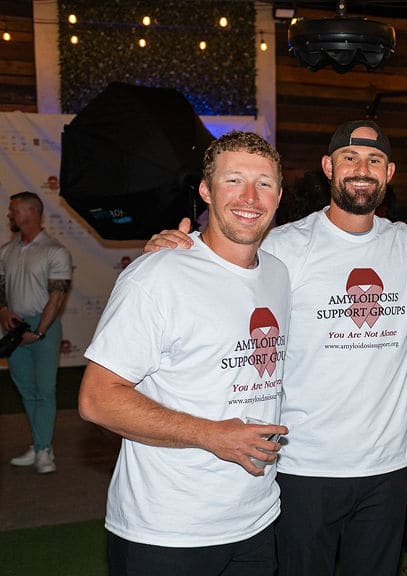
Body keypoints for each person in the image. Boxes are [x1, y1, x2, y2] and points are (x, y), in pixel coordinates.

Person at [145, 120, 407, 576]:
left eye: (374, 160)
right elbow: (222, 275)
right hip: (303, 462)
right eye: (350, 158)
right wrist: (176, 247)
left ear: (389, 172)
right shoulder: (285, 246)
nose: (362, 169)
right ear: (327, 167)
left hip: (389, 464)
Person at [78, 131, 290, 576]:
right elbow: (98, 399)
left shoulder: (277, 272)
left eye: (264, 183)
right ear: (205, 190)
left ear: (279, 194)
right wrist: (212, 434)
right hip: (168, 532)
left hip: (257, 520)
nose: (250, 196)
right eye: (233, 180)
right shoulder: (158, 276)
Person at [1, 191, 72, 475]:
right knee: (27, 392)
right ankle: (40, 444)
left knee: (45, 391)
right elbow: (0, 287)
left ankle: (44, 450)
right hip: (14, 328)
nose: (10, 214)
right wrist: (4, 312)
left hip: (44, 327)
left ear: (31, 211)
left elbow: (57, 297)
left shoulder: (55, 251)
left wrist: (40, 332)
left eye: (14, 210)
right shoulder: (7, 250)